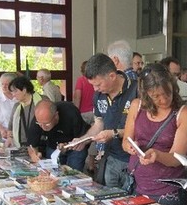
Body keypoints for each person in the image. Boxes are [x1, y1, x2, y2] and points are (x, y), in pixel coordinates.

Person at [122, 63, 187, 205]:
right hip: (137, 184)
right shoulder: (137, 105)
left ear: (173, 86)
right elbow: (126, 140)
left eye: (167, 93)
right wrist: (129, 147)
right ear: (147, 94)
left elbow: (177, 158)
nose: (163, 100)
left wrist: (157, 155)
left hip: (166, 191)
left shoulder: (183, 113)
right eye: (156, 96)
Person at [71, 53, 138, 189]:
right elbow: (99, 124)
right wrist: (84, 140)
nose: (95, 89)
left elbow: (144, 129)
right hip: (111, 159)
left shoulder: (137, 90)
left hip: (134, 160)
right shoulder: (99, 96)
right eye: (93, 85)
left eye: (98, 84)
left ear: (112, 76)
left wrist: (114, 133)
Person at [27, 100, 90, 171]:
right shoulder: (39, 119)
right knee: (52, 172)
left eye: (47, 124)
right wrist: (34, 155)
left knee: (73, 171)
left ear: (56, 115)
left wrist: (67, 145)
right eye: (40, 124)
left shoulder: (70, 112)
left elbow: (81, 139)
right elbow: (31, 145)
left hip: (75, 146)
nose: (43, 127)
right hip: (53, 146)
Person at [5, 76, 45, 148]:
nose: (13, 94)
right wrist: (10, 138)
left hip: (41, 144)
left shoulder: (42, 101)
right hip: (22, 146)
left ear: (24, 90)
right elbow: (10, 127)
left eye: (15, 91)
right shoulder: (17, 106)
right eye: (12, 92)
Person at [73, 60, 96, 172]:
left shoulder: (81, 81)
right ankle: (91, 162)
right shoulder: (95, 80)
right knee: (94, 138)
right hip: (95, 112)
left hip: (83, 113)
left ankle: (83, 159)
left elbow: (77, 97)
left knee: (84, 137)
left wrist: (75, 112)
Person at [0, 72, 18, 139]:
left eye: (7, 84)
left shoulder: (19, 98)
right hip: (7, 135)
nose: (4, 86)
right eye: (2, 84)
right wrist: (2, 130)